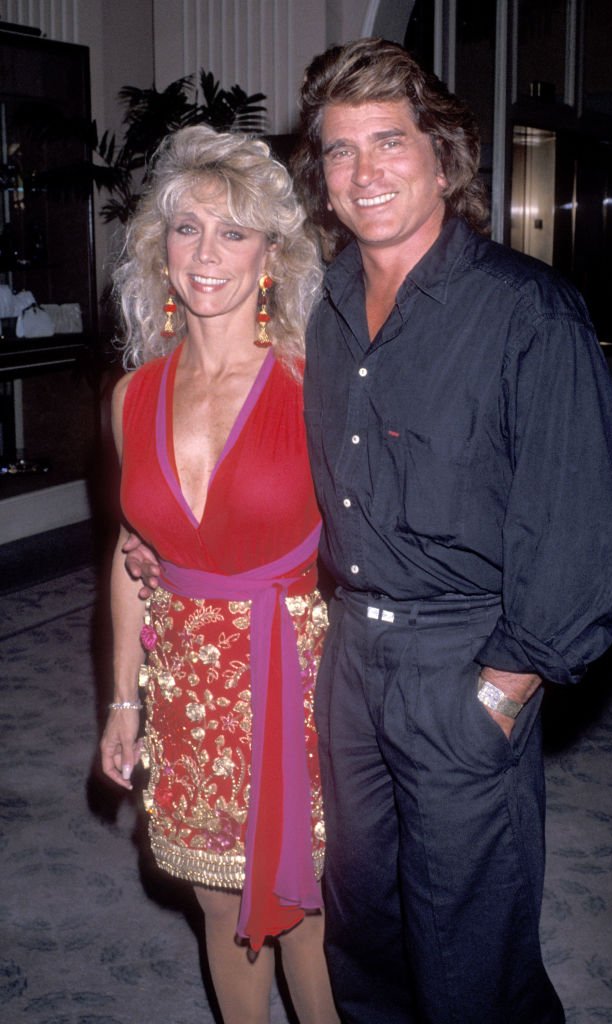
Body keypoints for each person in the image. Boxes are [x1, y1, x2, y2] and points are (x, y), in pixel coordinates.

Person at [288, 38, 612, 1024]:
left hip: (463, 657)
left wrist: (504, 685)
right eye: (342, 151)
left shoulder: (530, 312)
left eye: (390, 142)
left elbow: (583, 528)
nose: (367, 172)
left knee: (470, 941)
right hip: (350, 660)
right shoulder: (322, 310)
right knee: (365, 927)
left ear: (443, 156)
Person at [99, 124, 338, 1024]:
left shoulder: (317, 386)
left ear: (270, 253)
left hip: (300, 679)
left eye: (234, 231)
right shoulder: (132, 396)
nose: (207, 254)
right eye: (187, 227)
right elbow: (129, 557)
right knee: (220, 904)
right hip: (187, 686)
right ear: (158, 248)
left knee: (303, 912)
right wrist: (123, 701)